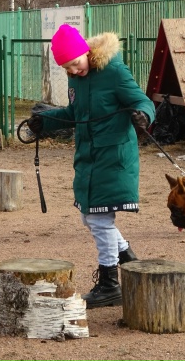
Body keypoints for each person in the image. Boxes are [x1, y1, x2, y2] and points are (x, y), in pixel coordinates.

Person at [26, 24, 155, 309]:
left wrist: (143, 116)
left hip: (113, 156)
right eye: (67, 67)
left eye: (75, 63)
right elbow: (74, 113)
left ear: (86, 51)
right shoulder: (77, 79)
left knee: (98, 219)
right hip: (88, 156)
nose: (73, 70)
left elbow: (142, 101)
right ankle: (126, 256)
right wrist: (45, 121)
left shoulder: (114, 71)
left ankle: (110, 284)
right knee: (89, 217)